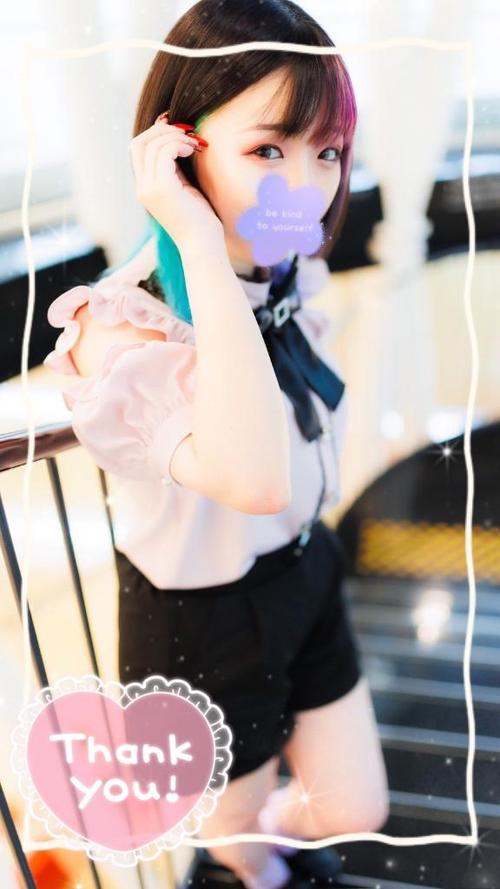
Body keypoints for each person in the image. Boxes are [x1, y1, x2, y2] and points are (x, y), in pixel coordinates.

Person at [43, 1, 389, 887]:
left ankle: (257, 849)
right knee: (239, 839)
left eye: (326, 151)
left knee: (355, 809)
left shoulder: (285, 263)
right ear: (180, 147)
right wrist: (195, 235)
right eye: (268, 150)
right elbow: (253, 478)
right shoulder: (124, 325)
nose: (305, 186)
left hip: (305, 568)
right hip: (204, 618)